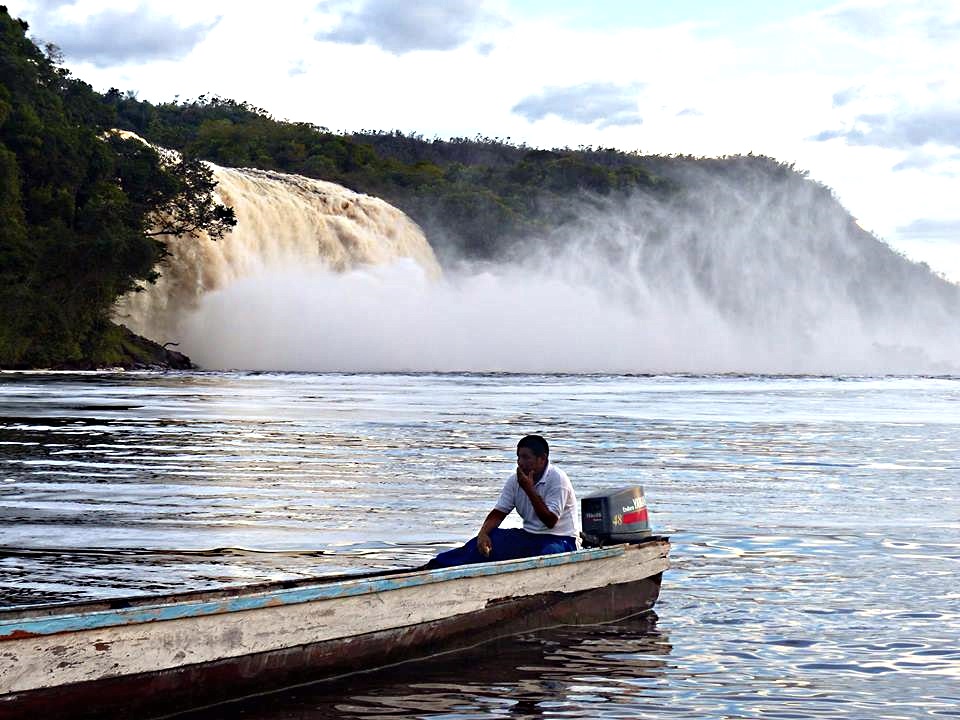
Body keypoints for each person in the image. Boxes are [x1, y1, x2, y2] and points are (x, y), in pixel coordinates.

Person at [426, 434, 578, 568]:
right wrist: (483, 533)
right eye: (518, 457)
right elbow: (499, 512)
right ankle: (438, 565)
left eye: (526, 457)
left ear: (542, 459)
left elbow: (550, 521)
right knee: (488, 540)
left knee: (544, 554)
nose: (520, 462)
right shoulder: (515, 480)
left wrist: (529, 490)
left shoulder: (557, 479)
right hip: (529, 536)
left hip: (561, 540)